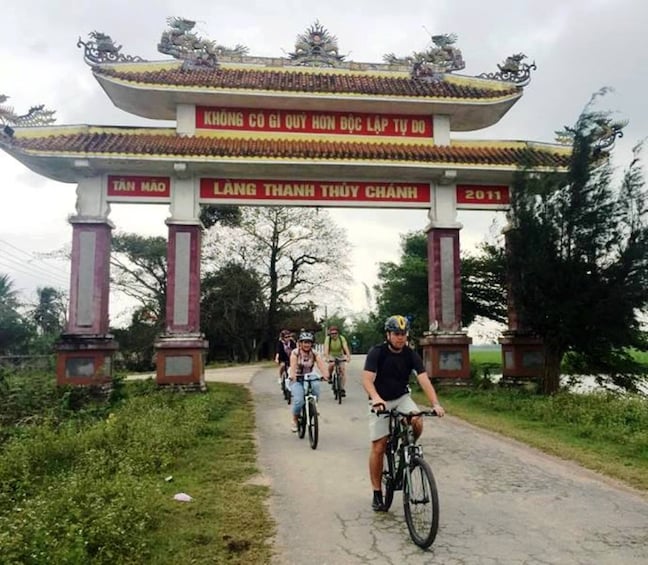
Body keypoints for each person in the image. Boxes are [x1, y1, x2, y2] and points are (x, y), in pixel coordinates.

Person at [362, 314, 445, 511]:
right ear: (388, 334)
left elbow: (424, 380)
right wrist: (376, 398)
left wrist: (435, 403)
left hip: (401, 398)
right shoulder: (377, 352)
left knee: (417, 420)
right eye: (397, 333)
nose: (400, 337)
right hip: (380, 401)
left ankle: (408, 448)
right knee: (379, 446)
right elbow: (366, 380)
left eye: (404, 334)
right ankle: (376, 491)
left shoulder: (410, 354)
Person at [289, 330, 329, 432]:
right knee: (299, 400)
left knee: (316, 387)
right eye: (304, 342)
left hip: (309, 376)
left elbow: (321, 365)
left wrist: (326, 375)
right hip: (297, 377)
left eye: (309, 342)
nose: (307, 344)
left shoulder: (314, 353)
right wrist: (292, 376)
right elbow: (293, 365)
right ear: (300, 343)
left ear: (312, 343)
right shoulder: (295, 353)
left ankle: (314, 407)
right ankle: (294, 420)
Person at [323, 326, 351, 396]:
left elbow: (345, 347)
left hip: (340, 355)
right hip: (331, 354)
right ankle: (329, 376)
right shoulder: (328, 339)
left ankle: (342, 388)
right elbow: (326, 349)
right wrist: (327, 358)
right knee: (331, 365)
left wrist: (348, 357)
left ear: (338, 333)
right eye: (332, 334)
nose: (333, 335)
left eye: (335, 333)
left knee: (342, 370)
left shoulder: (341, 338)